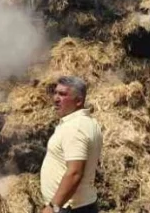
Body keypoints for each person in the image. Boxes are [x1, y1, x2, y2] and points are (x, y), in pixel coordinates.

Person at [39, 75, 103, 213]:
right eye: (55, 93)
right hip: (80, 205)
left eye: (62, 94)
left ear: (79, 100)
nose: (56, 99)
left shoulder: (75, 128)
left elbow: (74, 173)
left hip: (69, 208)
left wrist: (53, 207)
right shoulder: (89, 122)